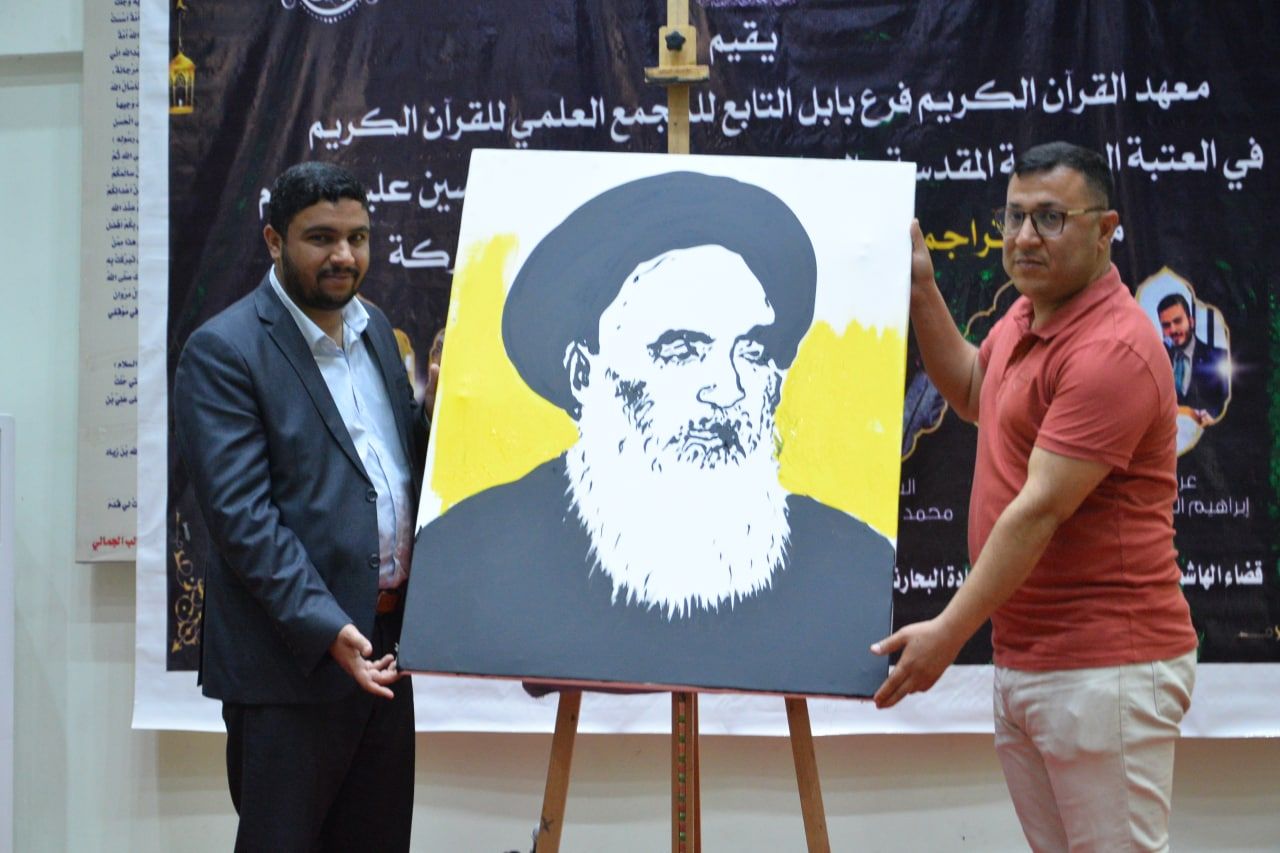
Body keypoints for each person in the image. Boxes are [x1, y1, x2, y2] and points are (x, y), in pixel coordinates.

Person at [399, 171, 895, 697]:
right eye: (681, 350)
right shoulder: (473, 550)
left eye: (751, 350)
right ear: (583, 374)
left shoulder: (851, 564)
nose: (728, 389)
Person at [874, 142, 1198, 851]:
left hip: (1105, 667)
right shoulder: (1027, 315)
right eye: (1014, 216)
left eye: (1050, 218)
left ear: (1106, 229)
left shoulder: (1111, 349)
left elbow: (1040, 509)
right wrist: (922, 289)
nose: (1024, 237)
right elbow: (971, 389)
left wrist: (947, 633)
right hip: (1032, 657)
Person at [174, 161, 427, 851]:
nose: (344, 255)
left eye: (358, 237)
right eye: (321, 238)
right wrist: (327, 627)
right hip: (292, 666)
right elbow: (243, 521)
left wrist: (439, 409)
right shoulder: (224, 351)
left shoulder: (375, 330)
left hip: (384, 655)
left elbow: (393, 469)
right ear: (274, 240)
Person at [1157, 292, 1229, 425]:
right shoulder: (1158, 361)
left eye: (1178, 321)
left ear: (1191, 322)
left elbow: (1228, 403)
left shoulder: (1218, 357)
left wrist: (1213, 417)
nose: (1173, 330)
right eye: (1166, 325)